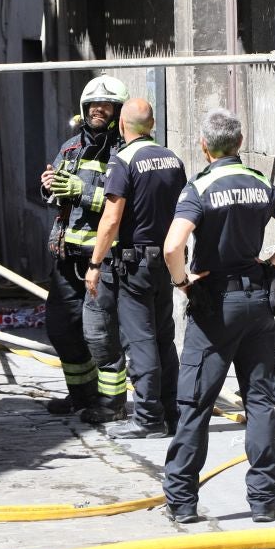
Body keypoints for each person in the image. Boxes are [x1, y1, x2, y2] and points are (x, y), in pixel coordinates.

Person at [161, 108, 275, 524]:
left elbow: (173, 248)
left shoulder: (200, 188)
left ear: (204, 146)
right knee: (261, 402)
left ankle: (182, 501)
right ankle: (263, 502)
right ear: (241, 144)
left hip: (215, 305)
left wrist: (183, 283)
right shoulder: (260, 183)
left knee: (195, 401)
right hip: (258, 303)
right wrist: (272, 265)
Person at [85, 98, 186, 439]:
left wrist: (95, 263)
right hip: (167, 259)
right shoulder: (173, 158)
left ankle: (147, 418)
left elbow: (111, 219)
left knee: (140, 342)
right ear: (152, 123)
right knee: (164, 338)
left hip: (135, 264)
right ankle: (173, 413)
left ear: (122, 126)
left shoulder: (123, 161)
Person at [40, 75, 129, 423]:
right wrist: (50, 186)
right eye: (92, 105)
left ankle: (111, 403)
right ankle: (81, 395)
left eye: (105, 106)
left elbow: (124, 206)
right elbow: (57, 198)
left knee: (101, 335)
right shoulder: (69, 148)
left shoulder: (124, 152)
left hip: (103, 259)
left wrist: (82, 191)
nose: (97, 110)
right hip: (66, 257)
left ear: (117, 111)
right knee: (62, 330)